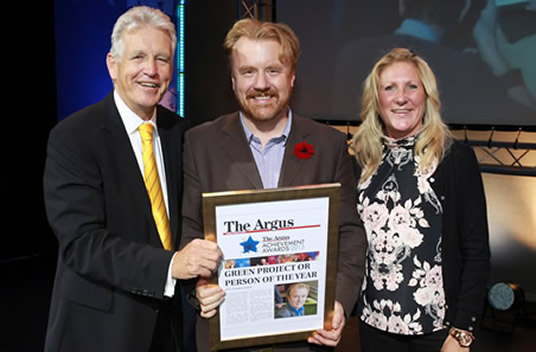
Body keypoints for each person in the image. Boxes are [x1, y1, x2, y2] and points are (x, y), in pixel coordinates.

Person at [179, 18, 367, 351]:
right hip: (227, 334)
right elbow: (190, 231)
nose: (261, 84)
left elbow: (349, 234)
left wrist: (337, 302)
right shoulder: (199, 143)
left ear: (292, 76)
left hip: (306, 338)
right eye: (248, 71)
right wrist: (199, 289)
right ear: (234, 79)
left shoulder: (329, 145)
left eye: (273, 71)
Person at [43, 6, 221, 352]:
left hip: (171, 329)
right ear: (113, 64)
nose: (151, 71)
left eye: (162, 59)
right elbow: (83, 243)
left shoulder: (181, 133)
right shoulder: (74, 137)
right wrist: (172, 265)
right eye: (138, 57)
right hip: (101, 331)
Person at [350, 48, 491, 351]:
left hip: (438, 332)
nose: (401, 98)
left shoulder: (456, 159)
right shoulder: (361, 160)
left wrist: (462, 331)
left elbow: (477, 251)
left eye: (411, 86)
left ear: (427, 95)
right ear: (377, 99)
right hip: (374, 327)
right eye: (390, 88)